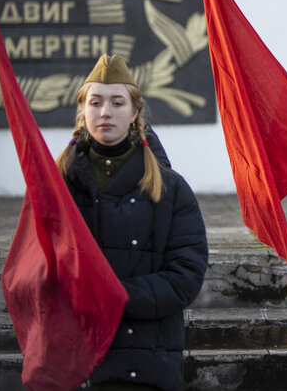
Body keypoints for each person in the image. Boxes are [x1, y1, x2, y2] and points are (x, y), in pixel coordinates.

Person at [56, 54, 208, 390]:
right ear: (83, 112)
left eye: (117, 102)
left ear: (135, 112)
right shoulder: (57, 186)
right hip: (77, 360)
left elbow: (185, 275)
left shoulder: (171, 188)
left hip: (148, 362)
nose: (105, 112)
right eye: (95, 102)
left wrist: (117, 295)